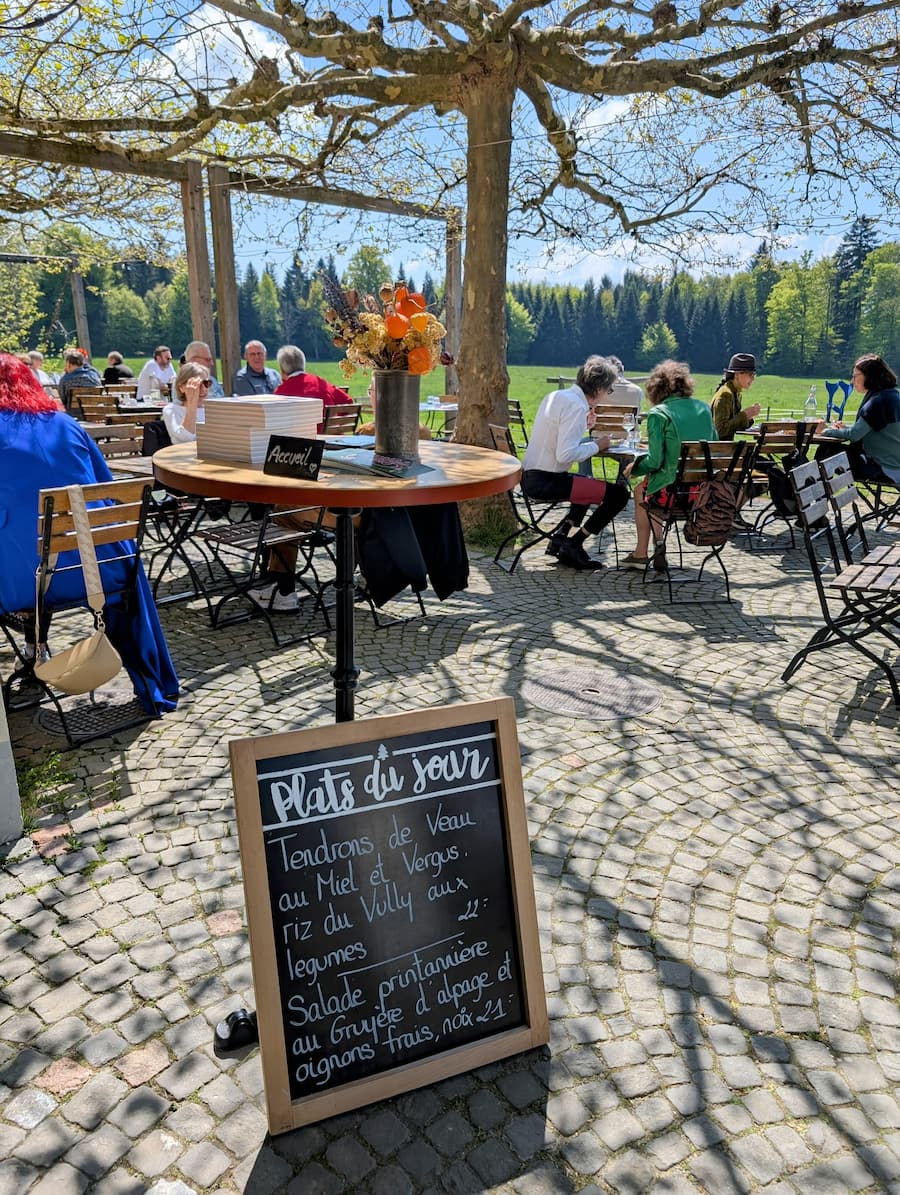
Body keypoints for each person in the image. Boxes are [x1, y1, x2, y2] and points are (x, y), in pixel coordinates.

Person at [0, 353, 179, 713]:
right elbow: (107, 490)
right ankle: (149, 681)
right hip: (97, 571)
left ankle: (33, 651)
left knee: (18, 544)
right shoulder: (68, 425)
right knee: (108, 552)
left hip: (23, 581)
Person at [521, 356, 630, 571]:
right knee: (619, 495)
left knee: (585, 483)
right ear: (599, 388)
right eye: (608, 390)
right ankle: (575, 543)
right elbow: (565, 455)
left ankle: (561, 535)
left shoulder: (558, 396)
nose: (607, 395)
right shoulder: (576, 407)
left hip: (530, 475)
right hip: (546, 481)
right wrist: (598, 445)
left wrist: (583, 428)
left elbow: (557, 441)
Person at [620, 360, 715, 571]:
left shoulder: (659, 414)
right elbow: (715, 449)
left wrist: (634, 468)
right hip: (701, 493)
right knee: (652, 485)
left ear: (657, 387)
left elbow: (655, 461)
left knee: (641, 491)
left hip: (671, 494)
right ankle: (657, 542)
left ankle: (642, 552)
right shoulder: (704, 409)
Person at [816, 353, 900, 484]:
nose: (851, 381)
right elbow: (873, 430)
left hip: (884, 468)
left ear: (869, 376)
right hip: (894, 465)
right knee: (829, 451)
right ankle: (814, 498)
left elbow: (854, 435)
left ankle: (813, 499)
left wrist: (824, 431)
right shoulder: (892, 395)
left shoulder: (878, 401)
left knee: (826, 451)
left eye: (855, 376)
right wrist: (846, 429)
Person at [274, 345, 351, 432]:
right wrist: (334, 424)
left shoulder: (281, 392)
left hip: (301, 442)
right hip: (334, 440)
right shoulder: (319, 382)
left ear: (282, 369)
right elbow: (347, 401)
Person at [711, 352, 761, 439]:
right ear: (737, 375)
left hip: (724, 448)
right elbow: (721, 431)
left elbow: (733, 425)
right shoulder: (725, 395)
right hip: (718, 450)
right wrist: (745, 415)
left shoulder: (735, 393)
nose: (753, 378)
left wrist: (748, 417)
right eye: (750, 374)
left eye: (754, 374)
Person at [163, 362, 211, 444]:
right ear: (181, 388)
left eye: (206, 383)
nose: (203, 389)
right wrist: (192, 404)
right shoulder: (171, 410)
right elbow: (186, 438)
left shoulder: (213, 409)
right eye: (197, 385)